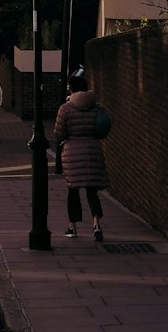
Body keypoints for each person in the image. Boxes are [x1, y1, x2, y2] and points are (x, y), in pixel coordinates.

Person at [53, 72, 110, 240]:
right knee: (92, 191)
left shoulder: (66, 108)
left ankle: (72, 227)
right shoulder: (97, 107)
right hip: (93, 150)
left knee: (73, 190)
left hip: (72, 153)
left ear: (72, 90)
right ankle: (96, 224)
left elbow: (59, 133)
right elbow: (103, 127)